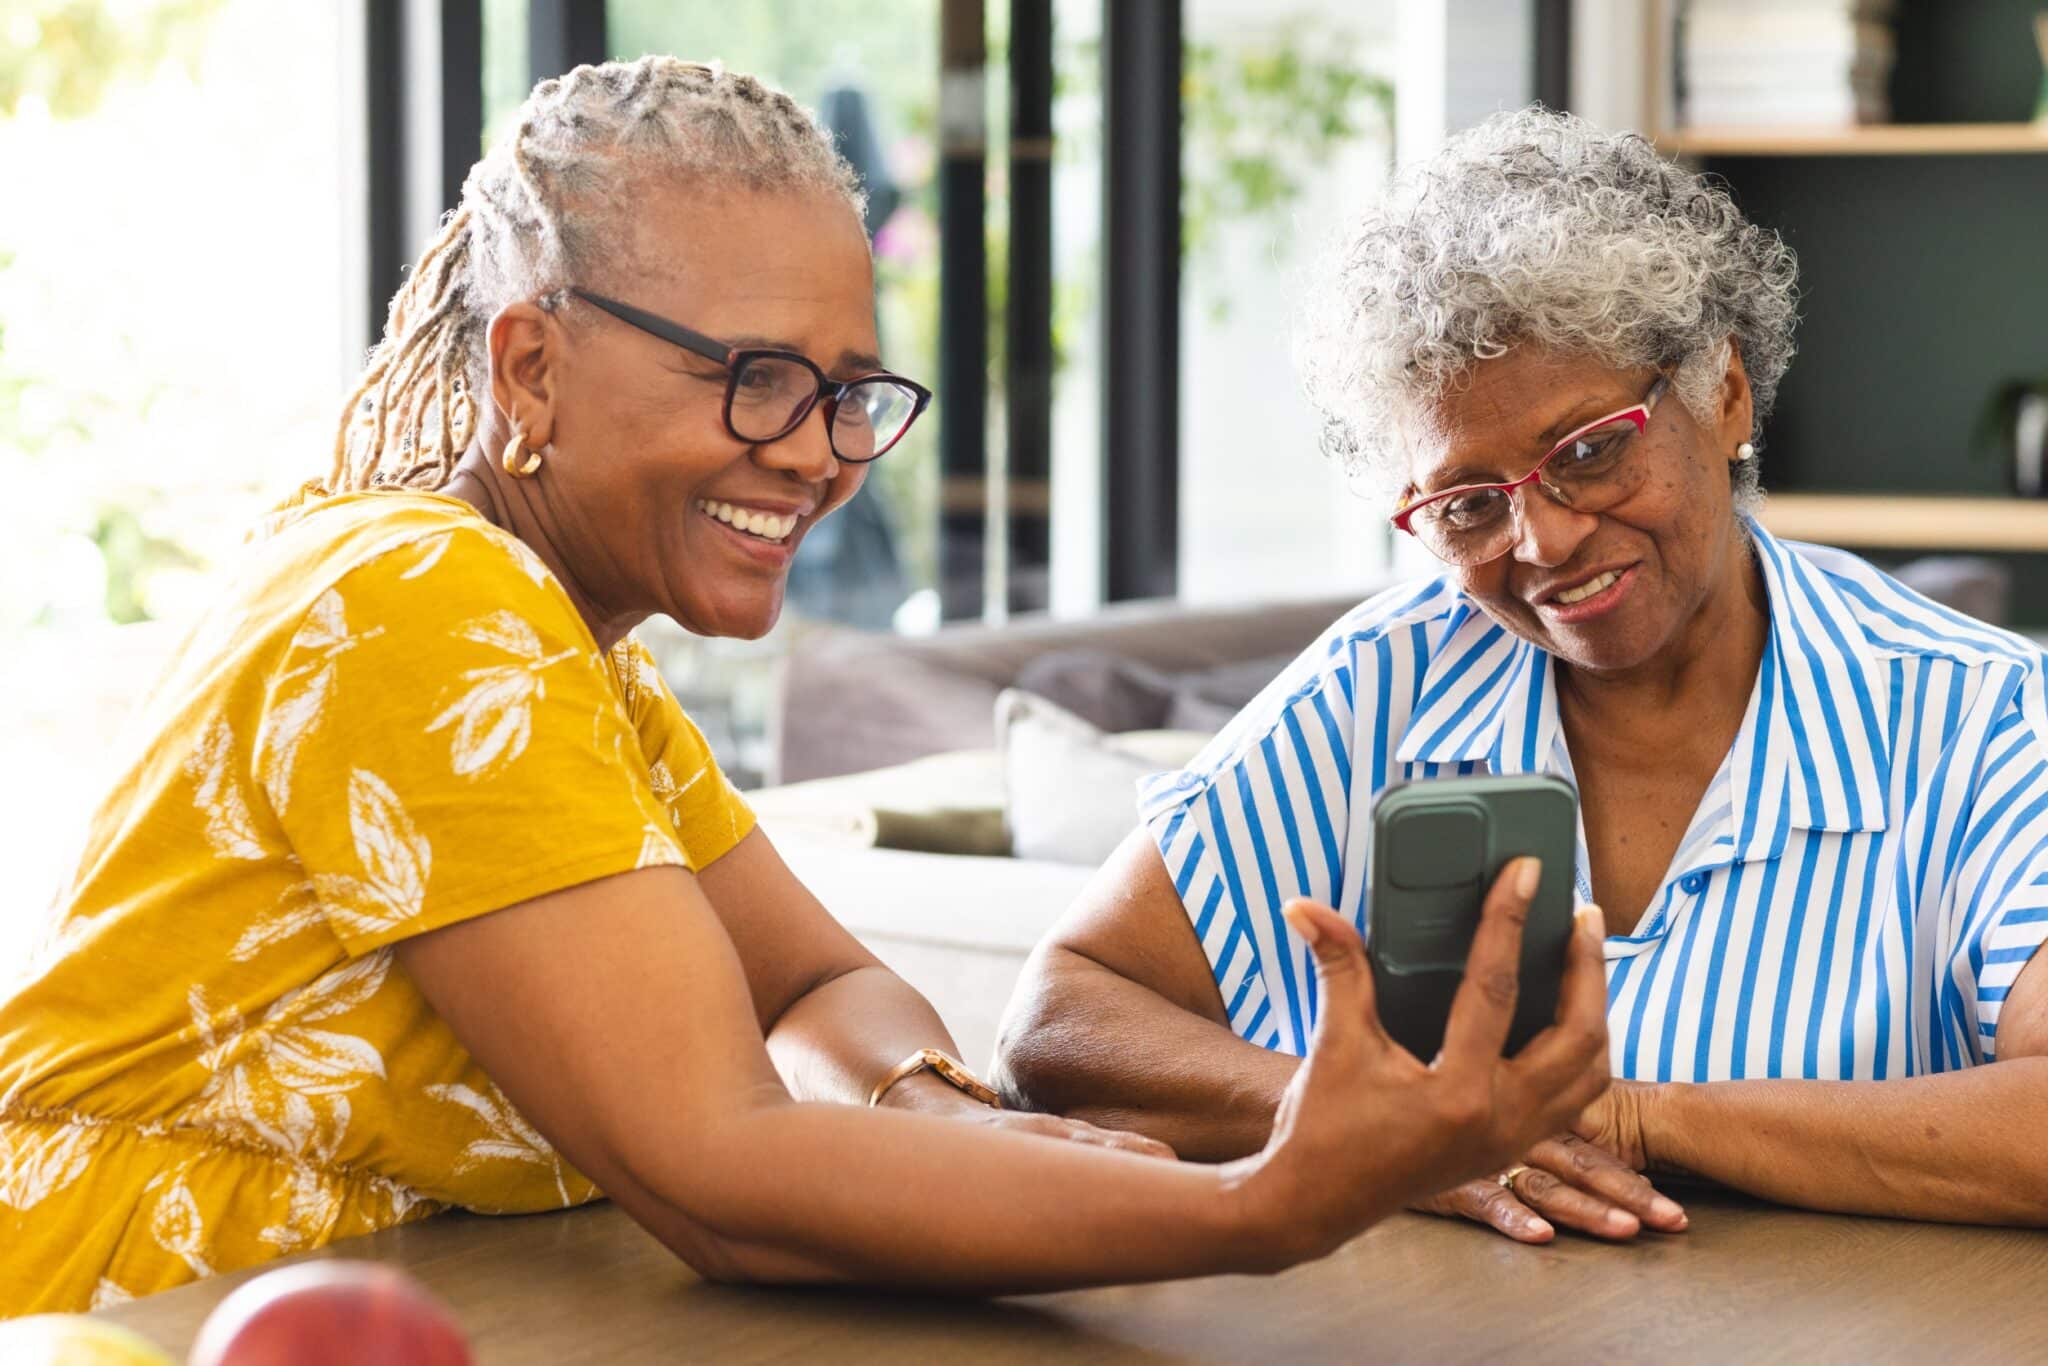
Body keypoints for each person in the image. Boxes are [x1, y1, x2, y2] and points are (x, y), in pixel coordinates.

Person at [0, 61, 1613, 1317]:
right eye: (749, 375)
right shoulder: (419, 603)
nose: (814, 451)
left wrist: (937, 1106)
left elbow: (818, 991)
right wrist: (1266, 1204)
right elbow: (721, 1176)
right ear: (528, 369)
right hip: (142, 1313)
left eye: (847, 391)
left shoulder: (577, 662)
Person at [993, 107, 2048, 1243]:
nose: (1539, 540)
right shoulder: (1379, 687)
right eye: (1467, 503)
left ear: (1723, 394)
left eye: (1588, 450)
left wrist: (1636, 1120)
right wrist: (1392, 1135)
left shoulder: (1969, 713)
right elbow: (1056, 1026)